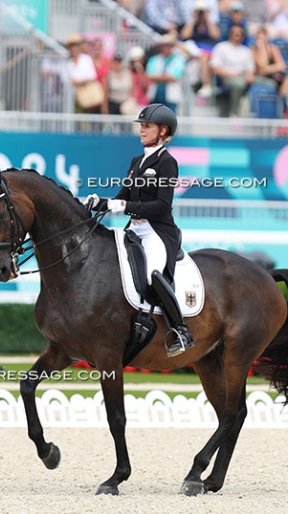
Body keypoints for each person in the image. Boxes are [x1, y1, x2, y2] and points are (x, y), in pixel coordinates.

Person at [85, 103, 195, 358]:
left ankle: (181, 330)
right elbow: (122, 196)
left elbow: (162, 206)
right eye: (141, 126)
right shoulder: (137, 161)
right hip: (133, 229)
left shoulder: (167, 162)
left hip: (157, 231)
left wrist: (124, 205)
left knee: (152, 274)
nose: (141, 130)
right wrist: (99, 202)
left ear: (162, 130)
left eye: (147, 126)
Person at [145, 33, 187, 113]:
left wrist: (157, 78)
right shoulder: (154, 59)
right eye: (163, 46)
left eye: (168, 45)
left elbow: (174, 77)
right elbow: (149, 76)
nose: (165, 48)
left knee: (169, 121)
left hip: (171, 98)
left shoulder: (179, 59)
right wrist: (166, 77)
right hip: (155, 96)